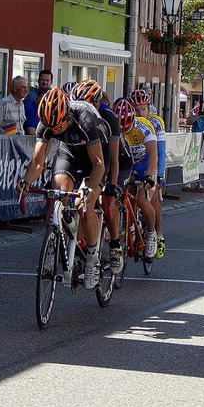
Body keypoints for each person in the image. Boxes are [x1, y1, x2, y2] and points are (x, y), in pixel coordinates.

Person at [20, 88, 111, 290]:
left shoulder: (85, 119)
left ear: (68, 115)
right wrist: (26, 181)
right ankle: (53, 247)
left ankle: (92, 258)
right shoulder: (47, 124)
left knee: (84, 205)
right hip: (69, 153)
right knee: (57, 194)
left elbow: (98, 164)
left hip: (95, 159)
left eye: (59, 126)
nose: (56, 130)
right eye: (52, 127)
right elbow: (37, 163)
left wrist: (89, 189)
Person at [72, 80, 124, 273]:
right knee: (77, 201)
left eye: (85, 103)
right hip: (90, 156)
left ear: (96, 103)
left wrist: (112, 183)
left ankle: (115, 245)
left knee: (105, 200)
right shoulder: (77, 115)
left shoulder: (108, 117)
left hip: (112, 158)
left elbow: (113, 157)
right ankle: (80, 246)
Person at [113, 97, 158, 262]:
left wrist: (149, 176)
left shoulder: (144, 127)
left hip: (143, 164)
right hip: (126, 165)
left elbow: (153, 153)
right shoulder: (111, 126)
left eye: (127, 128)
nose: (124, 132)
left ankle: (152, 233)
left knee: (142, 200)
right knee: (116, 196)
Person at [129, 89, 167, 258]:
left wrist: (159, 176)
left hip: (149, 164)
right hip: (131, 165)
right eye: (136, 109)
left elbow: (159, 151)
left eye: (143, 109)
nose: (140, 112)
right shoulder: (127, 121)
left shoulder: (156, 123)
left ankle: (157, 235)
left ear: (148, 108)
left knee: (150, 199)